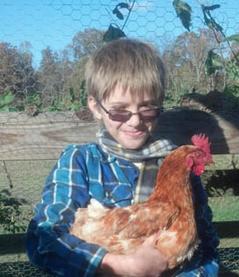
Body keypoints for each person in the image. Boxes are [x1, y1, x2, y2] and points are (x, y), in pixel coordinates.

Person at [26, 38, 219, 277]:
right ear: (96, 107)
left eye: (147, 108)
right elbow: (42, 238)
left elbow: (207, 249)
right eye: (119, 110)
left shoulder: (180, 170)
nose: (135, 121)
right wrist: (121, 267)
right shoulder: (80, 161)